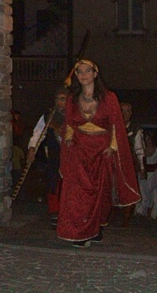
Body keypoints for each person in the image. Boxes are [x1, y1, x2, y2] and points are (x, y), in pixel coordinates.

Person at [56, 60, 140, 248]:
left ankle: (94, 230)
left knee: (99, 194)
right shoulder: (72, 99)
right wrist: (69, 138)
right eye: (79, 72)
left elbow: (115, 126)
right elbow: (70, 124)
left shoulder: (109, 98)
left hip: (101, 151)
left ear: (95, 73)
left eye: (87, 71)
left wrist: (111, 147)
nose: (83, 75)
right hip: (79, 150)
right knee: (77, 194)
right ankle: (79, 232)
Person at [27, 86, 68, 226]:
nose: (59, 102)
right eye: (57, 99)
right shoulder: (48, 116)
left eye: (63, 99)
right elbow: (38, 133)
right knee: (53, 183)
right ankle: (55, 212)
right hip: (54, 155)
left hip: (71, 156)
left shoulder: (75, 115)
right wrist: (32, 148)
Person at [120, 101, 146, 227]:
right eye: (122, 110)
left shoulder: (135, 129)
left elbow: (139, 149)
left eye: (127, 111)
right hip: (113, 163)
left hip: (129, 164)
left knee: (129, 191)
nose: (124, 114)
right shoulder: (111, 126)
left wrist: (142, 167)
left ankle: (126, 219)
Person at [135, 131, 157, 219]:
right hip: (142, 174)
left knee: (151, 192)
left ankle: (149, 211)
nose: (148, 141)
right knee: (142, 191)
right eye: (146, 139)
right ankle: (140, 210)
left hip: (152, 175)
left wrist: (150, 168)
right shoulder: (141, 150)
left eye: (149, 139)